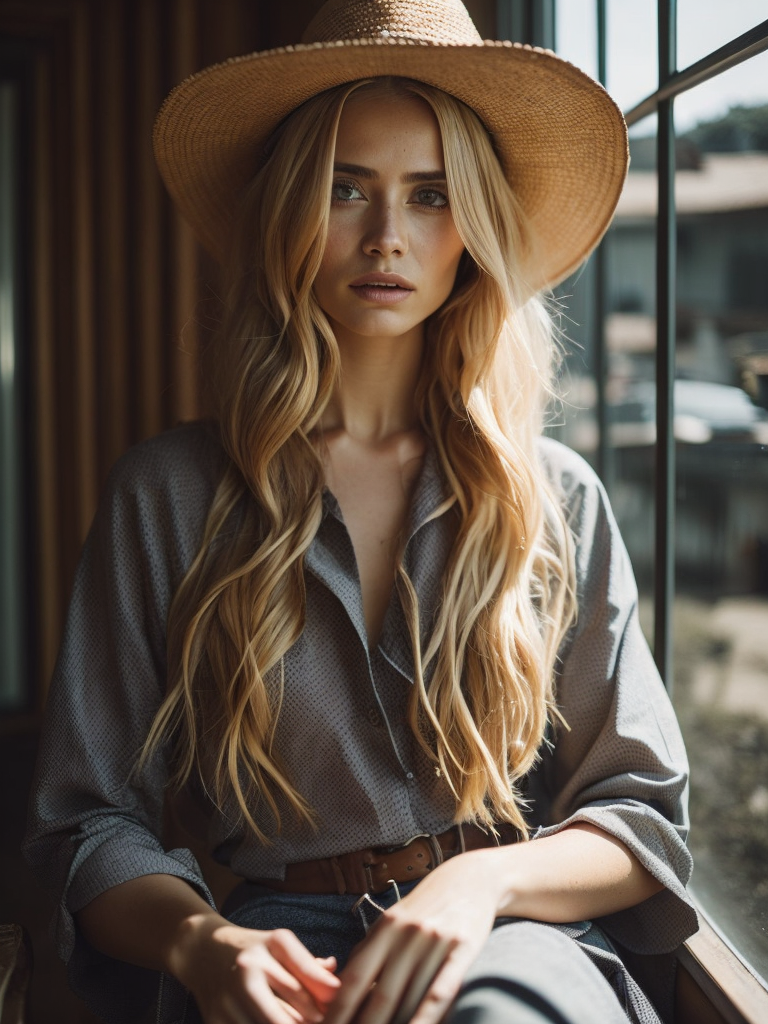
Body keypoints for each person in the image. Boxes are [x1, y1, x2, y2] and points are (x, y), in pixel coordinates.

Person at [23, 1, 698, 1023]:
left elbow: (640, 814)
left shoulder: (553, 496)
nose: (388, 237)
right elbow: (84, 824)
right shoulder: (165, 495)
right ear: (294, 208)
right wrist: (204, 945)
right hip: (274, 952)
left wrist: (480, 885)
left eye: (429, 194)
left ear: (471, 226)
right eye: (348, 188)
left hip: (516, 940)